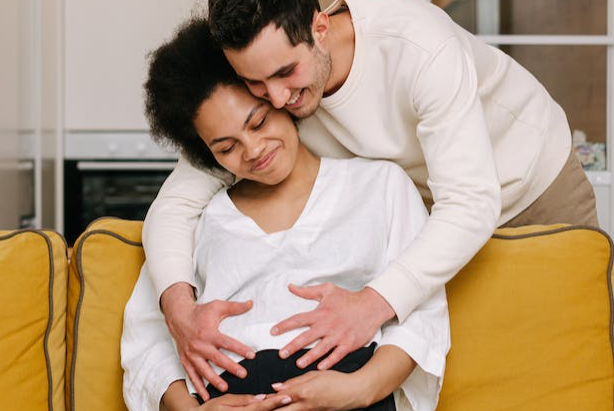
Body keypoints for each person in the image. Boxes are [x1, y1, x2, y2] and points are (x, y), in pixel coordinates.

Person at [142, 0, 599, 396]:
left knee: (574, 356)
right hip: (422, 213)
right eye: (257, 85)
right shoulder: (258, 69)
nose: (277, 98)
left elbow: (470, 204)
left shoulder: (418, 44)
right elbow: (175, 206)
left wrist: (370, 303)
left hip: (527, 184)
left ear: (320, 27)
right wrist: (182, 313)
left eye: (286, 73)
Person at [121, 17, 449, 411]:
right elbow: (148, 340)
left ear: (281, 99)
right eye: (226, 148)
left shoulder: (381, 186)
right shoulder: (200, 221)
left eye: (259, 122)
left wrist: (359, 389)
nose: (254, 150)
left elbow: (422, 319)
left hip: (352, 397)